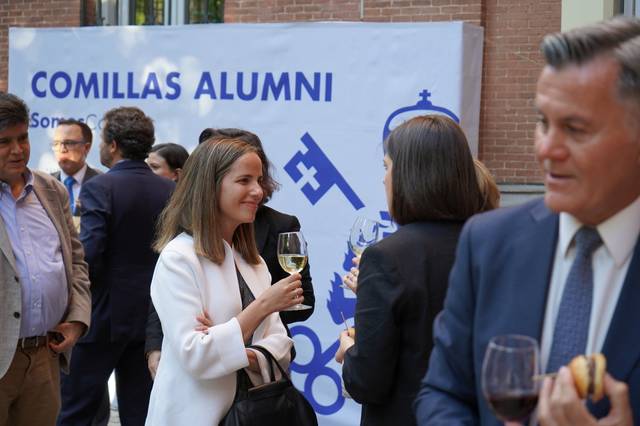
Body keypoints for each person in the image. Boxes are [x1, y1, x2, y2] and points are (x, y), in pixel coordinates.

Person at [415, 16, 640, 426]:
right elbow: (443, 392)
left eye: (575, 128)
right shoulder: (488, 242)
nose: (546, 150)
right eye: (543, 123)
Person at [334, 115, 486, 426]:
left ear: (410, 176)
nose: (384, 179)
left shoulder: (386, 257)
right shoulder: (489, 244)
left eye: (387, 167)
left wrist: (350, 350)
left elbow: (367, 381)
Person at [145, 136, 303, 425]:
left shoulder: (253, 262)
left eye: (259, 180)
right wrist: (262, 307)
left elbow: (281, 344)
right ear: (210, 186)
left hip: (251, 415)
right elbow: (197, 356)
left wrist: (232, 345)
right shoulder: (179, 258)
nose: (258, 191)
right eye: (244, 180)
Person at [58, 107, 175, 426]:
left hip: (101, 319)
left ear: (112, 146)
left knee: (74, 411)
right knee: (140, 413)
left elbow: (90, 255)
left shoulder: (100, 188)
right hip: (152, 320)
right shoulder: (170, 191)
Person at [0, 92, 91, 425]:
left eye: (22, 137)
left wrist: (78, 317)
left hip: (44, 358)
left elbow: (76, 262)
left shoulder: (51, 190)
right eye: (4, 141)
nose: (18, 149)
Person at [51, 119, 102, 217]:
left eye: (69, 143)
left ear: (86, 148)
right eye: (56, 144)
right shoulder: (44, 184)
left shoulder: (102, 184)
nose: (62, 149)